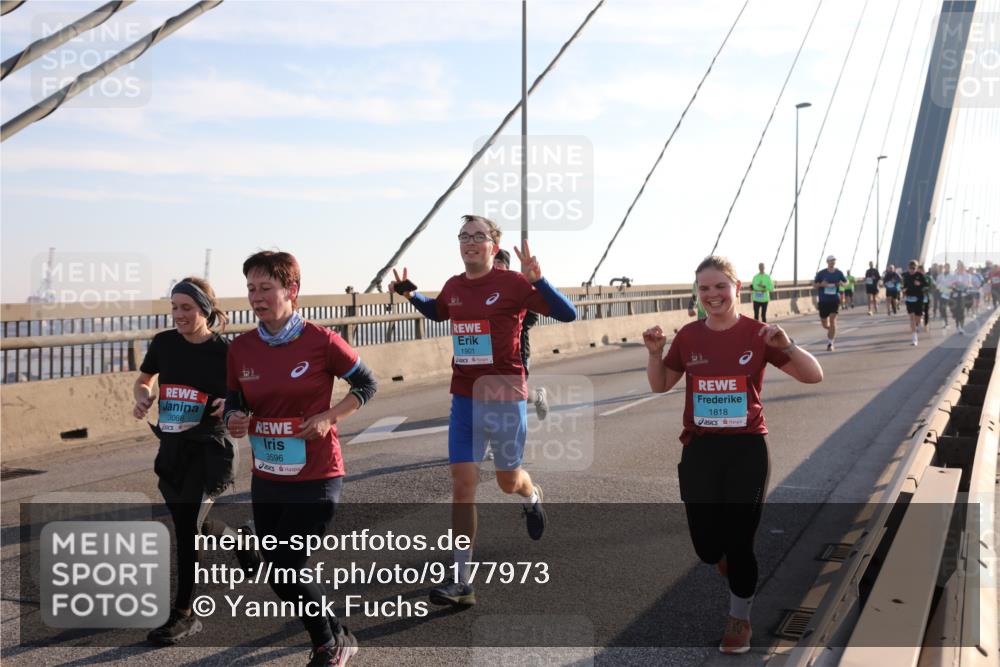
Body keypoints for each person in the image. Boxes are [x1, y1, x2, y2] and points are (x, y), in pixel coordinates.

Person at [391, 215, 577, 607]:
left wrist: (539, 279)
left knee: (508, 481)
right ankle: (461, 580)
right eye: (464, 236)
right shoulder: (454, 286)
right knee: (463, 484)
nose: (470, 241)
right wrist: (411, 295)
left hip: (506, 398)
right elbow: (439, 311)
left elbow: (568, 315)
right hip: (464, 398)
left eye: (479, 236)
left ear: (494, 245)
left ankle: (531, 494)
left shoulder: (513, 283)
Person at [643, 255, 823, 655]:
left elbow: (814, 375)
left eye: (720, 287)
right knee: (708, 547)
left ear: (738, 288)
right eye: (704, 289)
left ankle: (739, 618)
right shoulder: (689, 336)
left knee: (740, 541)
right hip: (701, 449)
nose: (712, 295)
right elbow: (661, 385)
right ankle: (726, 560)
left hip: (747, 449)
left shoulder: (759, 334)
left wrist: (788, 345)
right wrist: (656, 353)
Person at [224, 251, 377, 666]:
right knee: (281, 571)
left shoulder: (321, 341)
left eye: (265, 288)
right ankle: (334, 632)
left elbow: (367, 384)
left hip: (317, 472)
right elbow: (234, 402)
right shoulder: (241, 348)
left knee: (286, 568)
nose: (256, 297)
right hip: (269, 473)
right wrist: (234, 417)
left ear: (291, 291)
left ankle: (327, 644)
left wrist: (329, 417)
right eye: (251, 289)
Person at [132, 277, 248, 645]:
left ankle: (184, 613)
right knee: (190, 519)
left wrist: (228, 403)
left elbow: (245, 395)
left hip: (209, 447)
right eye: (174, 308)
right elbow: (144, 378)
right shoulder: (164, 343)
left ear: (205, 310)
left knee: (185, 528)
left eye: (187, 308)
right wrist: (144, 396)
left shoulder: (226, 352)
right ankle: (240, 543)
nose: (179, 315)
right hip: (172, 448)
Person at [494, 249, 548, 419]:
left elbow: (533, 315)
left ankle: (538, 396)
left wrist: (513, 325)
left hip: (518, 351)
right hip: (493, 352)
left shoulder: (517, 285)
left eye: (499, 263)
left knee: (517, 394)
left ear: (507, 266)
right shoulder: (484, 286)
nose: (496, 267)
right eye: (493, 263)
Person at [814, 255, 847, 351]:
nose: (832, 262)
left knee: (832, 320)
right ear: (827, 262)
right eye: (831, 261)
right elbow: (815, 285)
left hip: (834, 300)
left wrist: (843, 284)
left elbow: (846, 282)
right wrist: (821, 284)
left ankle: (830, 343)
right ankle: (832, 329)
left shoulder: (839, 273)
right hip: (823, 301)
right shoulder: (821, 273)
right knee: (825, 324)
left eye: (834, 261)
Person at [902, 260, 926, 346]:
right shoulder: (906, 276)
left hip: (918, 299)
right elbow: (904, 286)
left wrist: (919, 284)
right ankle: (914, 339)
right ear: (908, 268)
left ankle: (919, 323)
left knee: (917, 318)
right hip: (909, 299)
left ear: (916, 268)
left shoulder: (920, 275)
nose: (912, 269)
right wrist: (903, 290)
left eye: (914, 268)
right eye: (910, 268)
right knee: (911, 318)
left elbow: (926, 285)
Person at [949, 261, 974, 334]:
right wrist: (954, 285)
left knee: (961, 311)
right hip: (955, 295)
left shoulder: (967, 275)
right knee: (956, 312)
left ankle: (961, 327)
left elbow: (969, 284)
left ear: (963, 267)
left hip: (963, 296)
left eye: (961, 266)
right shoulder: (954, 275)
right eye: (958, 266)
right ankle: (957, 326)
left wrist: (966, 286)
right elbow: (950, 284)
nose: (960, 268)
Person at [937, 262, 952, 329]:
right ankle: (945, 321)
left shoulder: (952, 275)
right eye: (945, 267)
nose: (946, 268)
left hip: (948, 293)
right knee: (941, 308)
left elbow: (953, 284)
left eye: (947, 267)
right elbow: (937, 284)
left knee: (944, 308)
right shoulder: (940, 275)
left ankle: (946, 323)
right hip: (941, 293)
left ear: (949, 268)